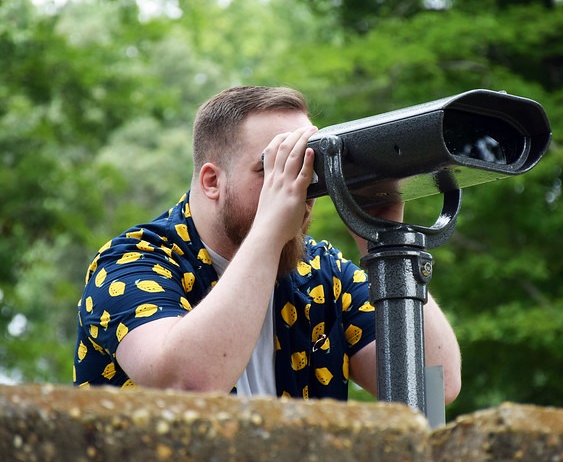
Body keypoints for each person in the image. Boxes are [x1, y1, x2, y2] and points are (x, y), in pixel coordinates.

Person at [73, 86, 461, 403]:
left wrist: (383, 239)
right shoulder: (131, 263)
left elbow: (432, 389)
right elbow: (189, 385)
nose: (297, 186)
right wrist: (270, 229)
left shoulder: (321, 272)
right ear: (212, 182)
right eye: (273, 168)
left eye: (306, 167)